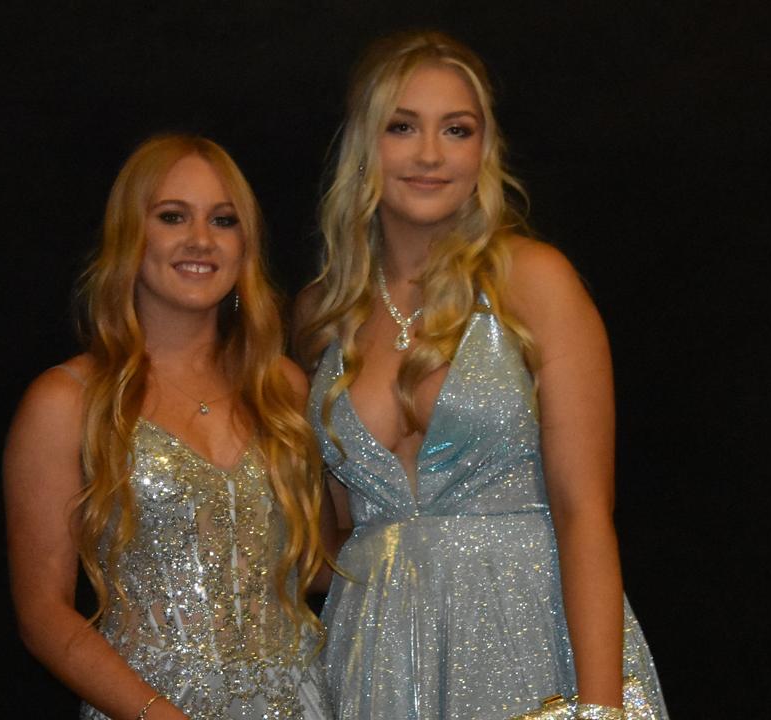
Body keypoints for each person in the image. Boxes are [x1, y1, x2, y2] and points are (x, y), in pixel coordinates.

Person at [294, 31, 668, 720]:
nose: (430, 154)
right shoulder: (323, 312)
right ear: (363, 145)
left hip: (528, 651)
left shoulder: (533, 281)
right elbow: (334, 534)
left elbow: (584, 514)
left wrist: (601, 709)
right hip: (374, 663)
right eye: (401, 126)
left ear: (482, 150)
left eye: (456, 129)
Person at [4, 135, 330, 720]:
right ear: (132, 233)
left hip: (301, 703)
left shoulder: (283, 388)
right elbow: (42, 615)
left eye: (223, 220)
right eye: (173, 216)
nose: (201, 240)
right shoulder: (68, 401)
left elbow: (326, 564)